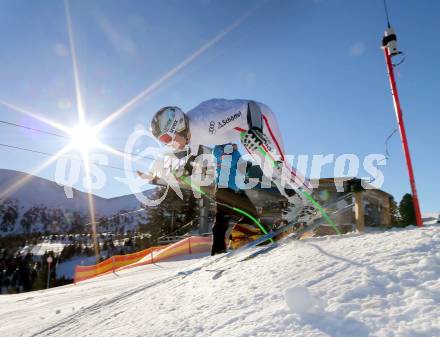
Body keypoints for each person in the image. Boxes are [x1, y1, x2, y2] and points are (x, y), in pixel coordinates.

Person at [150, 98, 314, 254]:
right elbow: (192, 152)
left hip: (258, 120)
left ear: (178, 126)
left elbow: (250, 108)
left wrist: (256, 129)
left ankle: (310, 197)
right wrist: (185, 169)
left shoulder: (207, 122)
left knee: (278, 163)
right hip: (245, 133)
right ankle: (297, 202)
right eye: (165, 142)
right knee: (270, 171)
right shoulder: (189, 134)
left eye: (168, 138)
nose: (170, 144)